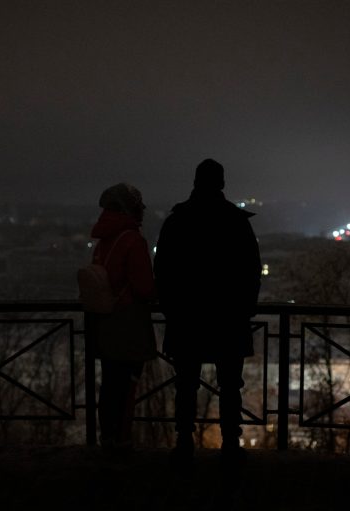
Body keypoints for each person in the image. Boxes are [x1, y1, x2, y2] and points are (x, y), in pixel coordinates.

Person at [153, 158, 261, 467]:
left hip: (187, 318)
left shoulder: (177, 221)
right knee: (230, 386)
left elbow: (163, 272)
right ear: (222, 183)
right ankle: (230, 444)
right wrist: (244, 310)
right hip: (228, 318)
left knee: (185, 385)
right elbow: (251, 271)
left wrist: (173, 310)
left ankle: (184, 442)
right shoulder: (237, 221)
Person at [86, 183, 156, 453]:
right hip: (128, 324)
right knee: (127, 386)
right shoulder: (132, 241)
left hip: (105, 322)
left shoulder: (103, 241)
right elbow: (145, 288)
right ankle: (122, 440)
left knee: (110, 384)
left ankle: (108, 438)